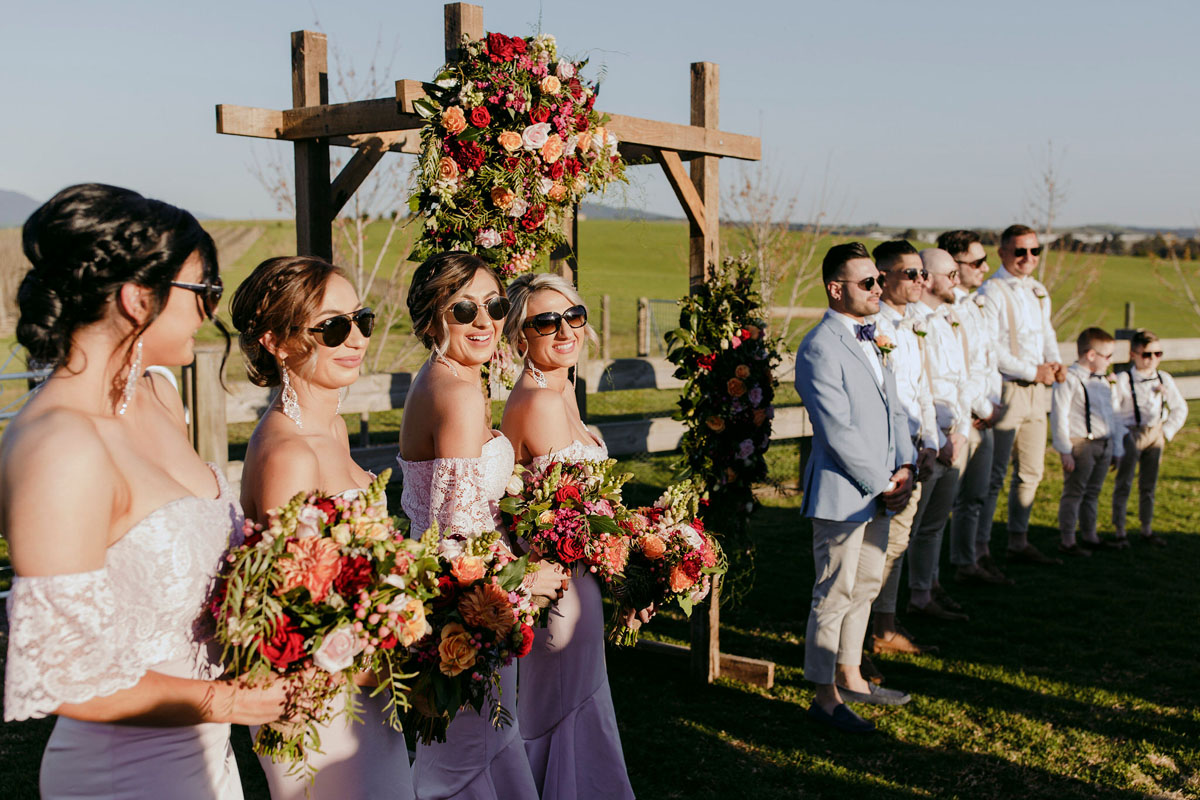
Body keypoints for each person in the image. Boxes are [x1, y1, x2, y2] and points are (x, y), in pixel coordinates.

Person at [1, 183, 290, 799]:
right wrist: (227, 700)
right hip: (124, 773)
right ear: (138, 299)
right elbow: (67, 678)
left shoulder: (159, 396)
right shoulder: (59, 446)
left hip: (205, 754)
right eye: (202, 292)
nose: (210, 312)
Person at [230, 256, 414, 800]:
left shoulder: (330, 426)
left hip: (365, 686)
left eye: (361, 319)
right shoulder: (288, 453)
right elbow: (289, 612)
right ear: (277, 342)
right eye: (332, 327)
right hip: (319, 707)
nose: (354, 337)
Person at [396, 251, 568, 800]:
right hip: (470, 611)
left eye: (494, 306)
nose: (485, 321)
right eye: (464, 308)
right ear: (430, 319)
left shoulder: (443, 379)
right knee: (467, 761)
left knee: (480, 750)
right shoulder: (459, 394)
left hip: (459, 600)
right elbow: (462, 536)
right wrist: (526, 578)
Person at [499, 272, 635, 800]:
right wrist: (631, 573)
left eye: (573, 316)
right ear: (518, 337)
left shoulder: (562, 392)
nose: (565, 331)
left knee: (578, 717)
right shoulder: (541, 401)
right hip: (563, 592)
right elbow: (572, 521)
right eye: (546, 322)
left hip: (581, 586)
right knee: (563, 725)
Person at [795, 242, 916, 734]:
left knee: (865, 586)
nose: (879, 289)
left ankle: (852, 675)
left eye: (879, 281)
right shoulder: (820, 346)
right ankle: (824, 697)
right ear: (835, 289)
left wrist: (905, 465)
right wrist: (882, 482)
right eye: (868, 282)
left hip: (885, 487)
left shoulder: (875, 336)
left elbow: (896, 407)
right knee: (835, 591)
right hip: (846, 492)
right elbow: (836, 429)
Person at [864, 241, 943, 657]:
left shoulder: (914, 323)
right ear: (883, 276)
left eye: (922, 273)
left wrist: (930, 441)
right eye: (909, 273)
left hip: (915, 447)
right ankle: (875, 629)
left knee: (898, 542)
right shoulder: (874, 327)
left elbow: (922, 389)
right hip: (887, 451)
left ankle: (884, 624)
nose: (919, 281)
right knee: (880, 544)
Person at [978, 224, 1064, 565]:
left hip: (1037, 393)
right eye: (1020, 251)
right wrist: (1032, 371)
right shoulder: (992, 291)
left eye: (1034, 251)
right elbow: (991, 347)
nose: (1028, 258)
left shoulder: (1039, 290)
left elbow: (1047, 332)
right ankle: (980, 547)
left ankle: (1018, 540)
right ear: (1002, 253)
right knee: (994, 475)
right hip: (1007, 389)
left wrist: (1055, 363)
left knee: (1031, 470)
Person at [937, 230, 1010, 584]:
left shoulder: (977, 304)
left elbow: (988, 359)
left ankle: (970, 560)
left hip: (986, 413)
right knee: (947, 502)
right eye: (977, 262)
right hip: (964, 415)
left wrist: (993, 404)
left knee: (977, 495)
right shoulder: (946, 310)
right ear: (955, 264)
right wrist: (980, 407)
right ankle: (936, 576)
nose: (985, 268)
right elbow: (959, 368)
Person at [905, 249, 973, 621]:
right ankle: (892, 609)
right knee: (910, 529)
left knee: (934, 523)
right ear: (928, 278)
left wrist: (961, 431)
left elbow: (962, 381)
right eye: (950, 274)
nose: (957, 280)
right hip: (928, 439)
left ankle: (925, 591)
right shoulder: (913, 323)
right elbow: (923, 386)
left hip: (953, 435)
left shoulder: (948, 319)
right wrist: (938, 440)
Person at [1111, 329, 1188, 547]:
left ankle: (1146, 528)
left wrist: (1166, 431)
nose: (1153, 359)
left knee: (1149, 484)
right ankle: (1120, 530)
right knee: (1123, 483)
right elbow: (1115, 412)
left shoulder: (1164, 378)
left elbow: (1180, 408)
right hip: (1130, 433)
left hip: (1155, 432)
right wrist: (1120, 439)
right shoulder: (1123, 379)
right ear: (1133, 354)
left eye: (1157, 354)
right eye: (1147, 355)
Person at [1051, 328, 1123, 555]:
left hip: (1104, 442)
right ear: (1091, 355)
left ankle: (1090, 535)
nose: (1110, 361)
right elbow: (1059, 415)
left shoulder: (1103, 381)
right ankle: (1068, 540)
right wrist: (1065, 450)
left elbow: (1112, 414)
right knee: (1074, 492)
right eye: (1108, 356)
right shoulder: (1069, 379)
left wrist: (1116, 447)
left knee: (1093, 491)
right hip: (1081, 444)